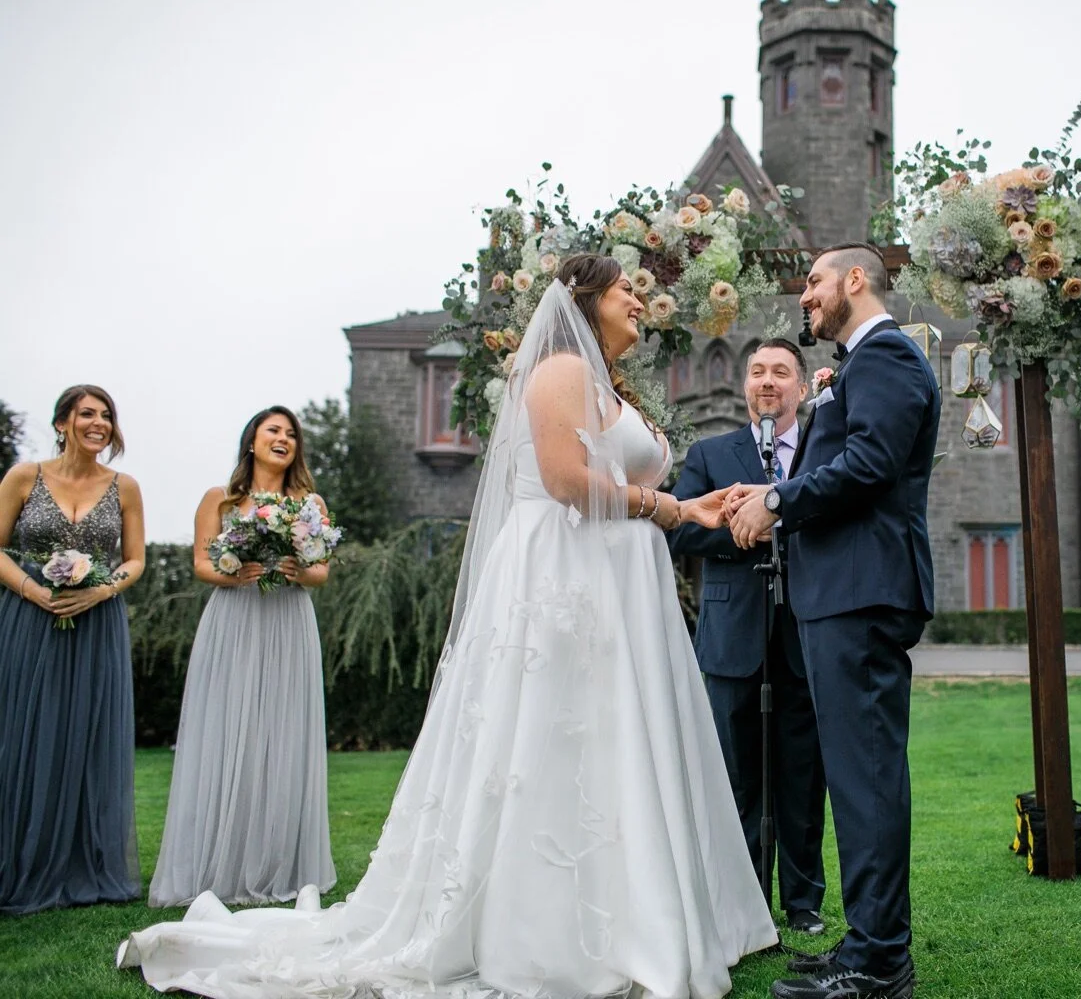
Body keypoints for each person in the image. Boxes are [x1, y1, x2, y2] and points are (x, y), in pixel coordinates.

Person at [119, 255, 776, 998]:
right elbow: (565, 481)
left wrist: (692, 505)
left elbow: (627, 480)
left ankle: (643, 909)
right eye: (628, 289)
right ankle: (552, 929)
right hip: (566, 576)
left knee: (616, 736)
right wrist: (669, 509)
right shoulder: (561, 371)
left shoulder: (608, 386)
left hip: (619, 578)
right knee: (555, 736)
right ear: (588, 302)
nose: (640, 300)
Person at [727, 242, 939, 999]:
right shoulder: (862, 364)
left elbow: (874, 462)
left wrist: (777, 501)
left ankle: (880, 961)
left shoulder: (885, 357)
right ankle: (869, 938)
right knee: (855, 779)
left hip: (861, 592)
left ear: (855, 279)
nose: (805, 296)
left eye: (814, 283)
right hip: (841, 594)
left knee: (867, 776)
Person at [670, 337, 828, 936]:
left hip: (805, 633)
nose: (768, 381)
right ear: (745, 385)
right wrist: (748, 529)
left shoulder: (821, 449)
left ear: (801, 387)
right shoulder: (711, 452)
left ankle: (804, 902)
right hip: (731, 636)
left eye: (781, 372)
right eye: (758, 371)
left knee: (802, 773)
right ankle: (742, 899)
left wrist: (783, 516)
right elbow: (679, 532)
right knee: (736, 777)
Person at [148, 405, 336, 907]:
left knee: (282, 733)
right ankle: (218, 859)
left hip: (288, 621)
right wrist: (237, 572)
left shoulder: (309, 502)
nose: (284, 438)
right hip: (234, 618)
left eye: (291, 433)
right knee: (227, 729)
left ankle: (276, 860)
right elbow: (201, 563)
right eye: (273, 430)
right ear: (251, 441)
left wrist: (299, 569)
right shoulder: (221, 499)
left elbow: (321, 573)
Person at [0, 384, 145, 914]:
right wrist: (33, 589)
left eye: (106, 415)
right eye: (87, 414)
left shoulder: (124, 486)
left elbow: (134, 559)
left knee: (89, 736)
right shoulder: (24, 477)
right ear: (62, 422)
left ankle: (85, 865)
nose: (99, 423)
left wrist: (101, 590)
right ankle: (22, 860)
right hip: (29, 618)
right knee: (25, 733)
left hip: (97, 621)